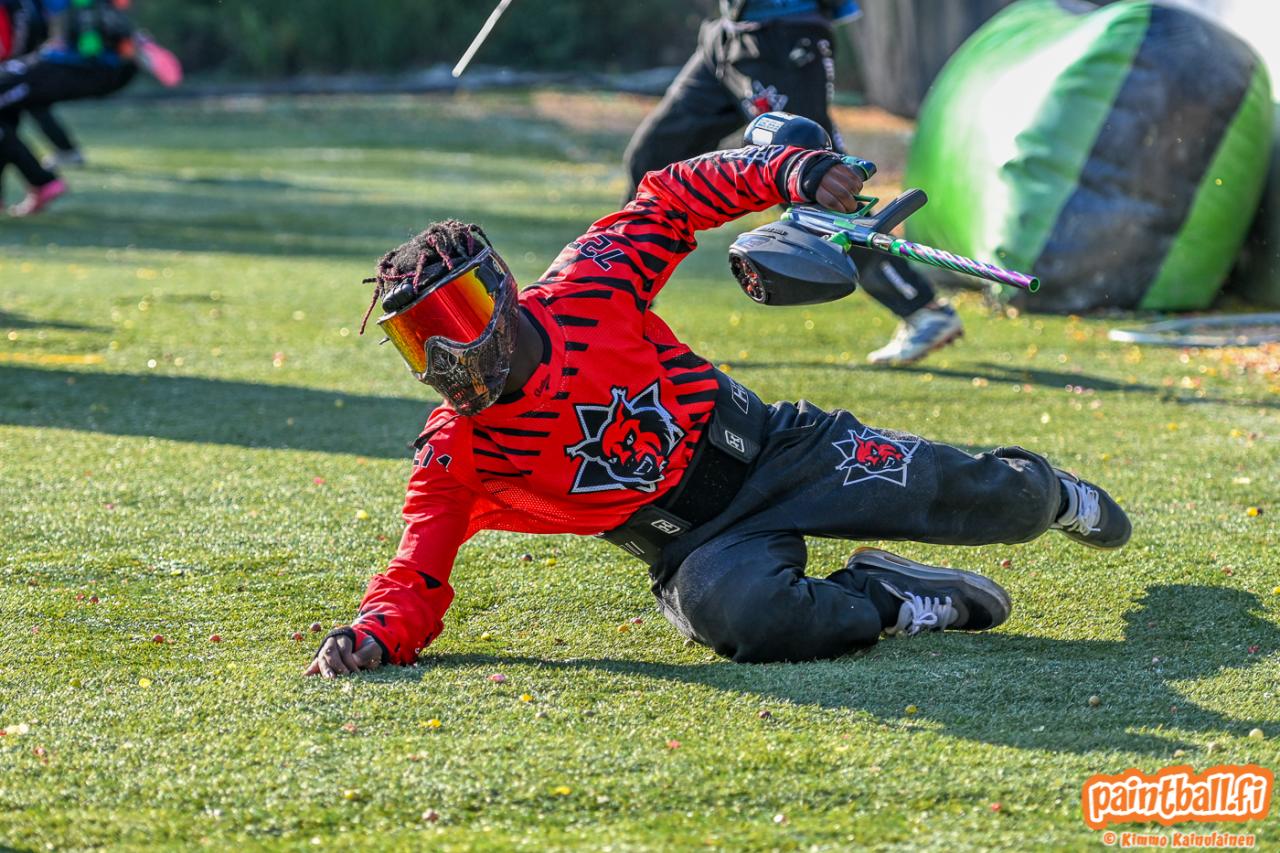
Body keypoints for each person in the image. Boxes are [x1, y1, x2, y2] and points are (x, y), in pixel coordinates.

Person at [305, 144, 1130, 678]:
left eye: (451, 317)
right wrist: (372, 635)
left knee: (1001, 501)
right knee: (754, 622)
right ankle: (885, 596)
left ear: (500, 288)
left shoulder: (588, 286)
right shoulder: (456, 451)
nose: (443, 353)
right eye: (417, 339)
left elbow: (670, 197)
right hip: (695, 547)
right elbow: (416, 573)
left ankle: (1053, 493)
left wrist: (790, 172)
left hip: (779, 451)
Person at [622, 0, 961, 366]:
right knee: (652, 157)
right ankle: (624, 308)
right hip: (728, 35)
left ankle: (922, 308)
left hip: (783, 35)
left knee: (816, 190)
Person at [0, 0, 136, 216]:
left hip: (74, 66)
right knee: (10, 111)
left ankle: (46, 177)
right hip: (62, 65)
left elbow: (86, 37)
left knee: (12, 102)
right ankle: (44, 178)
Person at [0, 0, 85, 169]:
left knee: (28, 107)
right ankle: (65, 150)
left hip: (24, 64)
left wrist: (12, 63)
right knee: (32, 106)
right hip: (27, 63)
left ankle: (60, 157)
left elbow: (53, 14)